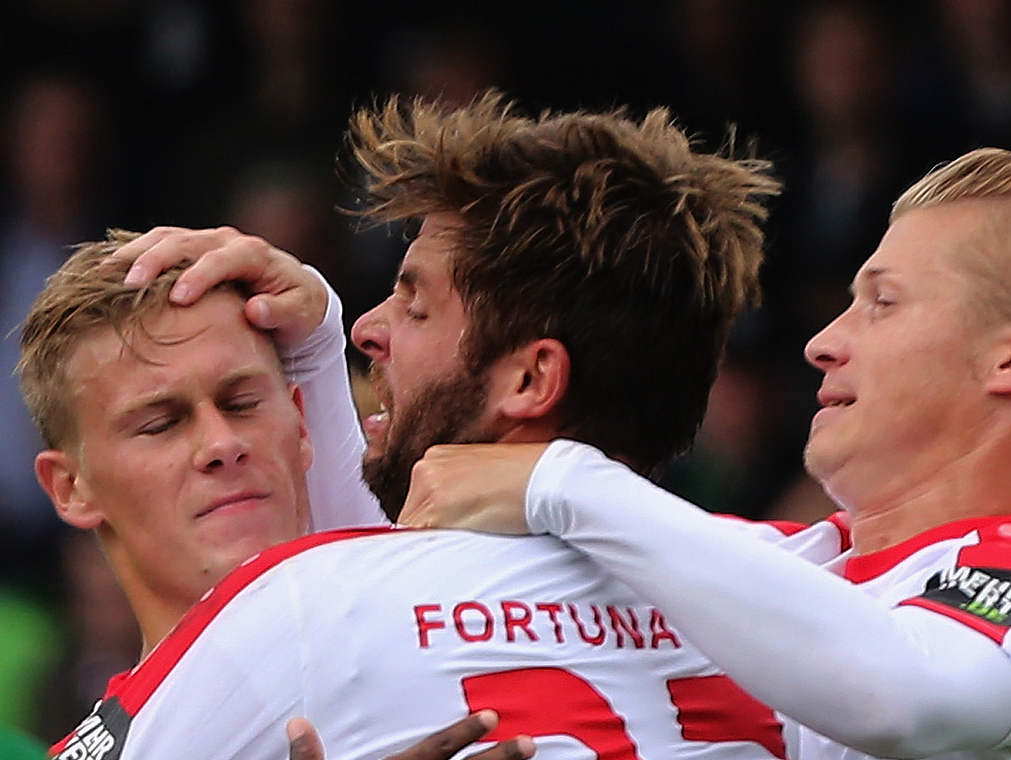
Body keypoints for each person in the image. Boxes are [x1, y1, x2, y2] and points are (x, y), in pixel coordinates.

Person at [27, 92, 782, 759]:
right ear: (69, 485)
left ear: (529, 380)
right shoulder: (795, 581)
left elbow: (354, 597)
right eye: (159, 423)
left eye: (415, 305)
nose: (368, 329)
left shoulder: (304, 613)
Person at [407, 147, 1011, 758]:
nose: (824, 343)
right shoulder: (793, 571)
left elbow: (901, 691)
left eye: (882, 304)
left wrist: (566, 480)